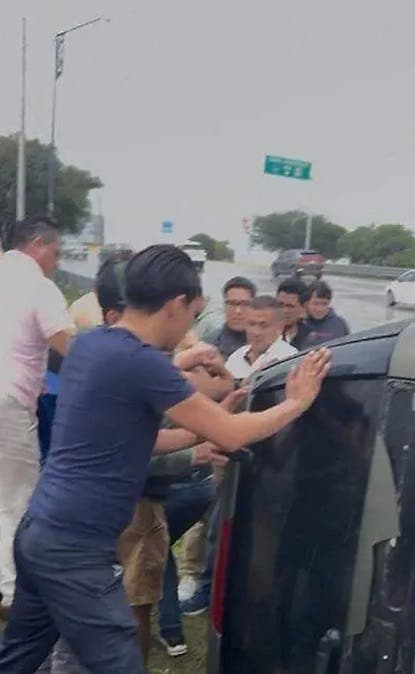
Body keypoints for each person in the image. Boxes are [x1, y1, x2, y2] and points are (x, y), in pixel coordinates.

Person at [0, 244, 332, 673]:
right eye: (194, 313)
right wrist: (295, 403)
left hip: (38, 530)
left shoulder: (90, 345)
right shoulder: (143, 364)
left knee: (20, 656)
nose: (191, 324)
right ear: (177, 304)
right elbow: (231, 432)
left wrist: (197, 430)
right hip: (74, 548)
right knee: (119, 663)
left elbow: (132, 437)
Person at [0, 218, 73, 617]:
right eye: (57, 253)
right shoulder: (38, 286)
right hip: (9, 400)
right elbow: (67, 344)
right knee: (16, 499)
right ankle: (12, 593)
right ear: (39, 245)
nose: (57, 263)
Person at [226, 296, 300, 381]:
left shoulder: (289, 359)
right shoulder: (236, 357)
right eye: (251, 324)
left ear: (280, 327)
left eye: (263, 325)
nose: (256, 332)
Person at [203, 276, 256, 358]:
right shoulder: (208, 346)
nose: (238, 311)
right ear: (224, 306)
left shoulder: (264, 343)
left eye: (244, 304)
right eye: (232, 304)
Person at [299, 280, 351, 348]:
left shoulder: (340, 324)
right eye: (316, 303)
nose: (320, 309)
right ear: (307, 303)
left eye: (324, 304)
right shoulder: (298, 324)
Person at [276, 277, 311, 348]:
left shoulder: (310, 338)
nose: (284, 310)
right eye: (280, 305)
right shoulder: (263, 334)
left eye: (290, 306)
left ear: (303, 307)